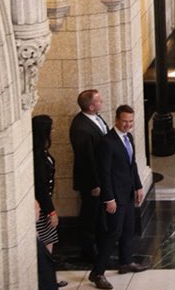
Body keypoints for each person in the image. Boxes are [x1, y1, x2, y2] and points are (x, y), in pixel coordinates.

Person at [92, 105, 147, 289]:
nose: (128, 125)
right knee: (113, 233)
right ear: (116, 120)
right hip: (115, 197)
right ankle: (97, 273)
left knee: (128, 229)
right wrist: (109, 199)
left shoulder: (128, 137)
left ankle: (125, 262)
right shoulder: (108, 142)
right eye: (124, 121)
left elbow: (132, 165)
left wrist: (138, 186)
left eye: (131, 121)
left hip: (128, 193)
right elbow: (104, 173)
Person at [69, 89, 108, 262]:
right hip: (91, 181)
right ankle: (89, 251)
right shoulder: (81, 128)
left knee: (99, 214)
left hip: (101, 176)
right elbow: (86, 160)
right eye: (99, 100)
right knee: (90, 215)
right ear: (91, 106)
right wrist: (95, 184)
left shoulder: (96, 117)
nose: (102, 102)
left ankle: (101, 244)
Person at [32, 114, 61, 290]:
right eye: (51, 129)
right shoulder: (36, 157)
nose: (53, 131)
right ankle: (47, 281)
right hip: (42, 208)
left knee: (49, 240)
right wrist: (51, 211)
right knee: (46, 242)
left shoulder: (42, 151)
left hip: (45, 205)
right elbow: (41, 188)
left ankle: (50, 278)